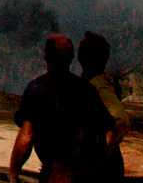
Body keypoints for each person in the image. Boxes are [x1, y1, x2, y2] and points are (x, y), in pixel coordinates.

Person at [9, 34, 116, 183]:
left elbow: (26, 137)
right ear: (72, 58)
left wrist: (13, 174)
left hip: (55, 174)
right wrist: (98, 165)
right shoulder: (86, 89)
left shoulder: (37, 89)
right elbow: (109, 132)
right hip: (86, 174)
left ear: (45, 56)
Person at [78, 31, 130, 181]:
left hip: (103, 172)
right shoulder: (93, 83)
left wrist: (100, 154)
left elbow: (122, 121)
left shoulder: (97, 87)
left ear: (84, 57)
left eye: (82, 50)